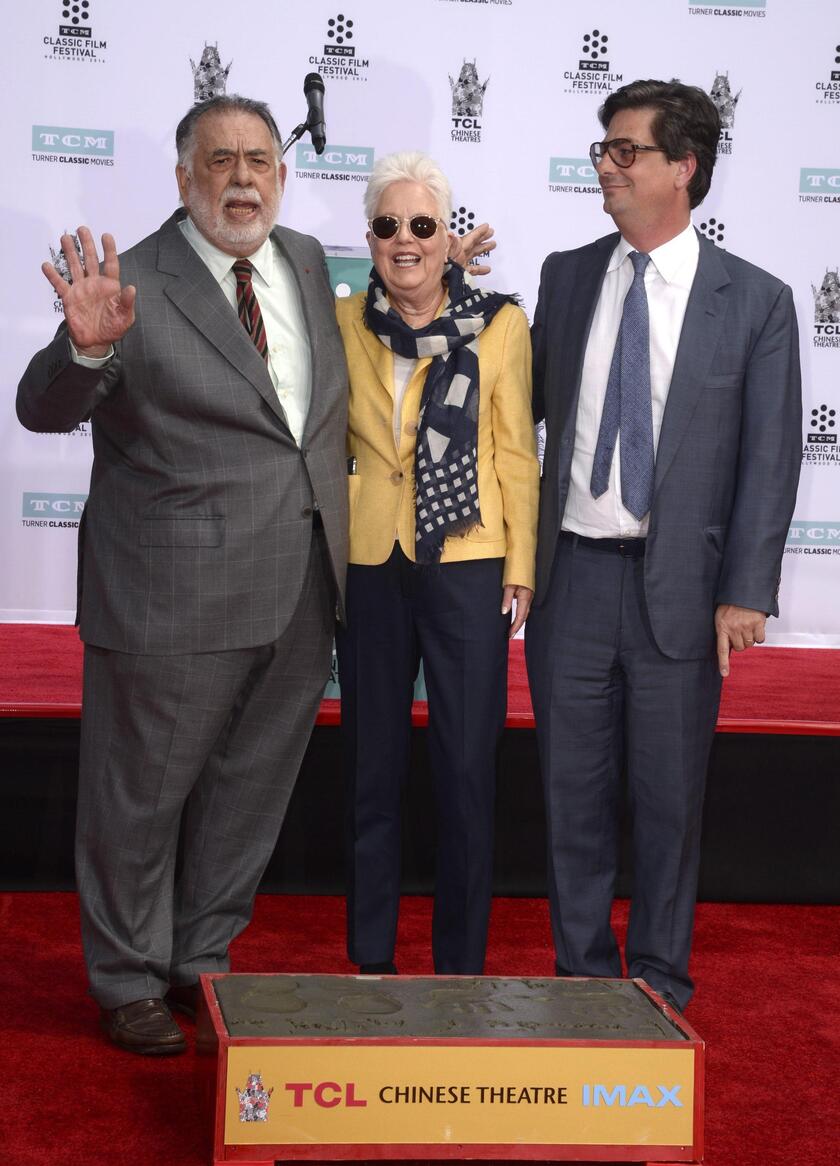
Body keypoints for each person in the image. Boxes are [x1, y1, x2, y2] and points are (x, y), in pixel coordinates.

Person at [16, 94, 350, 1055]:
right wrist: (86, 346)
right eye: (219, 161)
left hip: (299, 587)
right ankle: (124, 979)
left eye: (258, 159)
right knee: (138, 797)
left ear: (281, 174)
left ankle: (200, 961)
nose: (242, 178)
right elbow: (44, 406)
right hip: (169, 596)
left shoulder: (303, 261)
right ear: (183, 177)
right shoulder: (136, 282)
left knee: (248, 798)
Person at [525, 80, 801, 1012]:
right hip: (572, 583)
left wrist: (747, 591)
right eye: (604, 148)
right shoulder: (565, 276)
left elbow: (770, 456)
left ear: (683, 169)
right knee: (571, 800)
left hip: (682, 592)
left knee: (669, 805)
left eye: (626, 151)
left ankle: (657, 989)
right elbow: (516, 415)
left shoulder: (754, 301)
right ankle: (581, 986)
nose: (605, 163)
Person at [334, 152, 540, 976]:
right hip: (372, 560)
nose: (404, 240)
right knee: (371, 773)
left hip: (468, 562)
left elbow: (518, 453)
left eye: (423, 225)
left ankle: (459, 973)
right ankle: (369, 966)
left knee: (465, 773)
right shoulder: (342, 318)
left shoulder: (499, 324)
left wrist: (521, 563)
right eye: (389, 226)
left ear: (447, 235)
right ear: (371, 238)